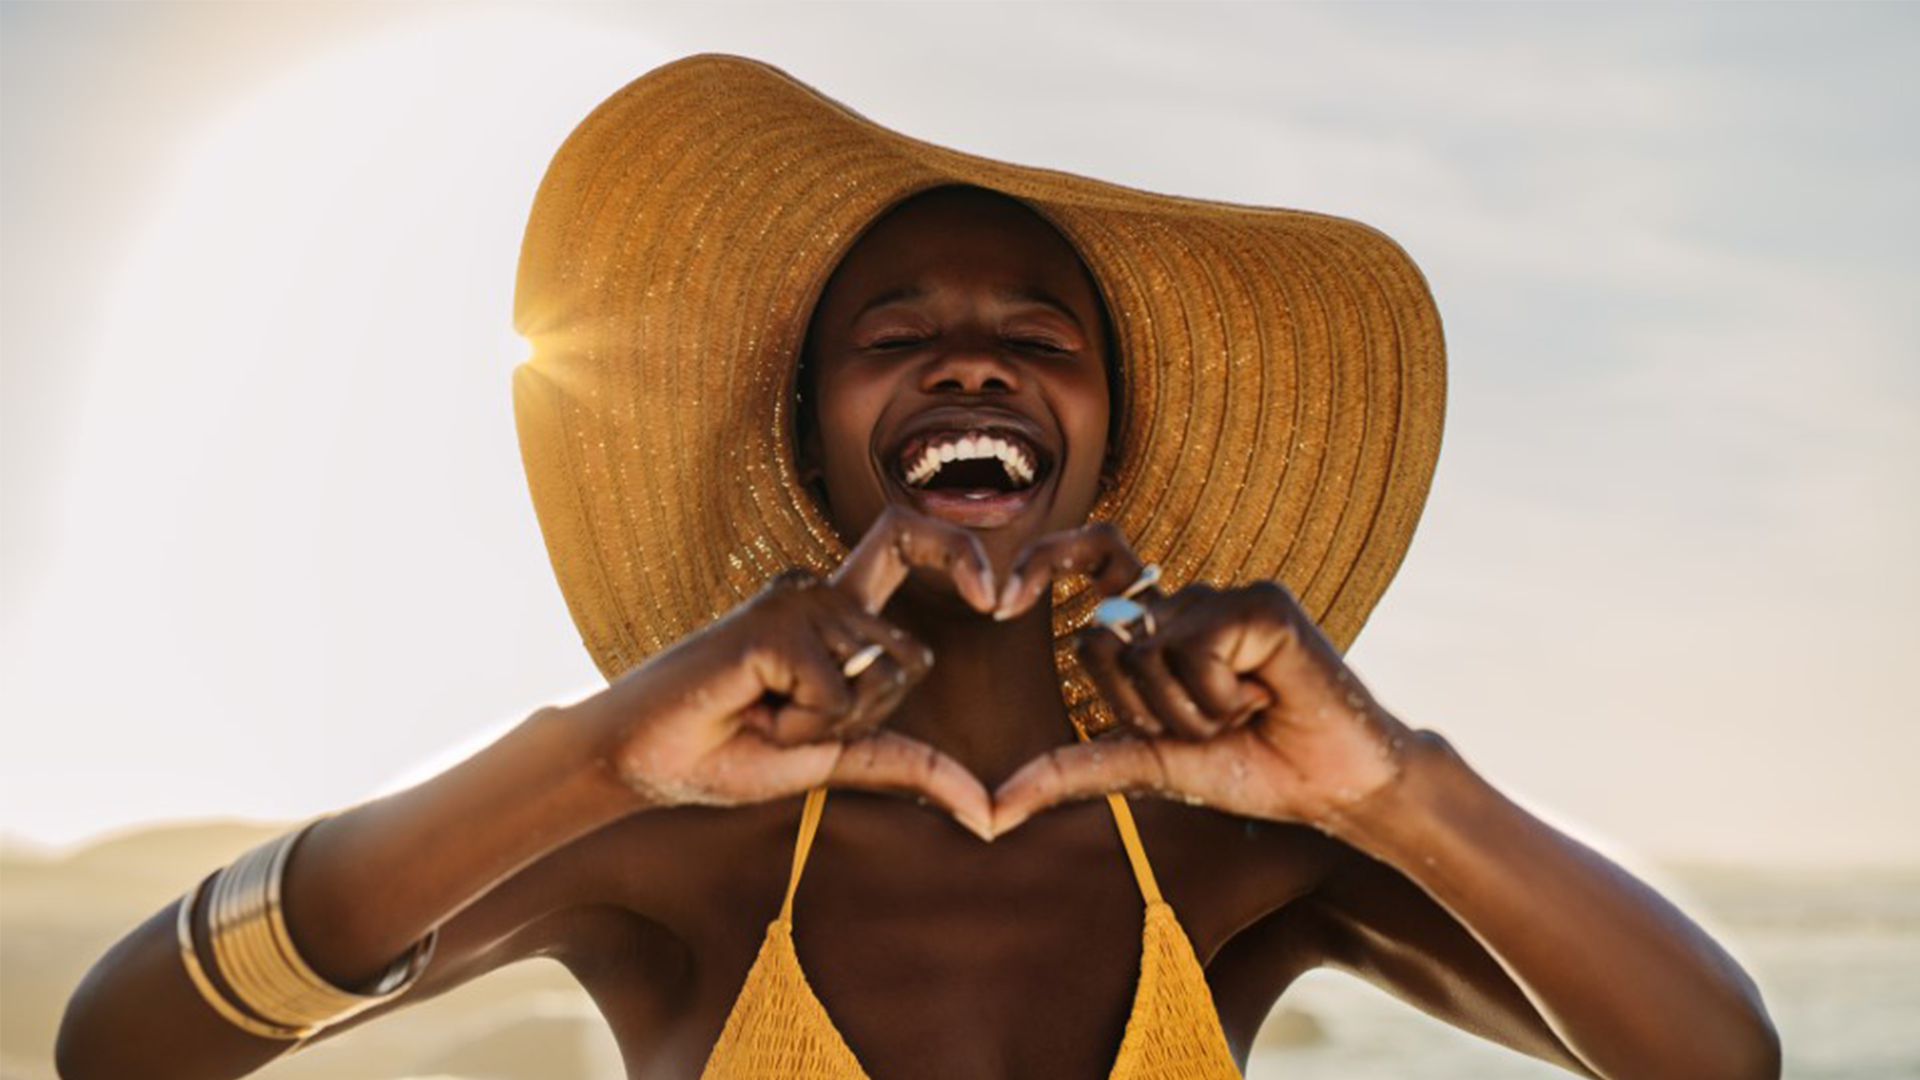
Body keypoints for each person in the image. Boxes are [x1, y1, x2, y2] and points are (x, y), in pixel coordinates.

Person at [57, 55, 1779, 1080]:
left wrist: (1396, 787)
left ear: (1111, 428)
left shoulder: (1246, 848)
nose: (972, 366)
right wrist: (580, 757)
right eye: (900, 336)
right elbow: (123, 1046)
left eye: (1039, 335)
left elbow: (1724, 1061)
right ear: (810, 435)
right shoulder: (668, 831)